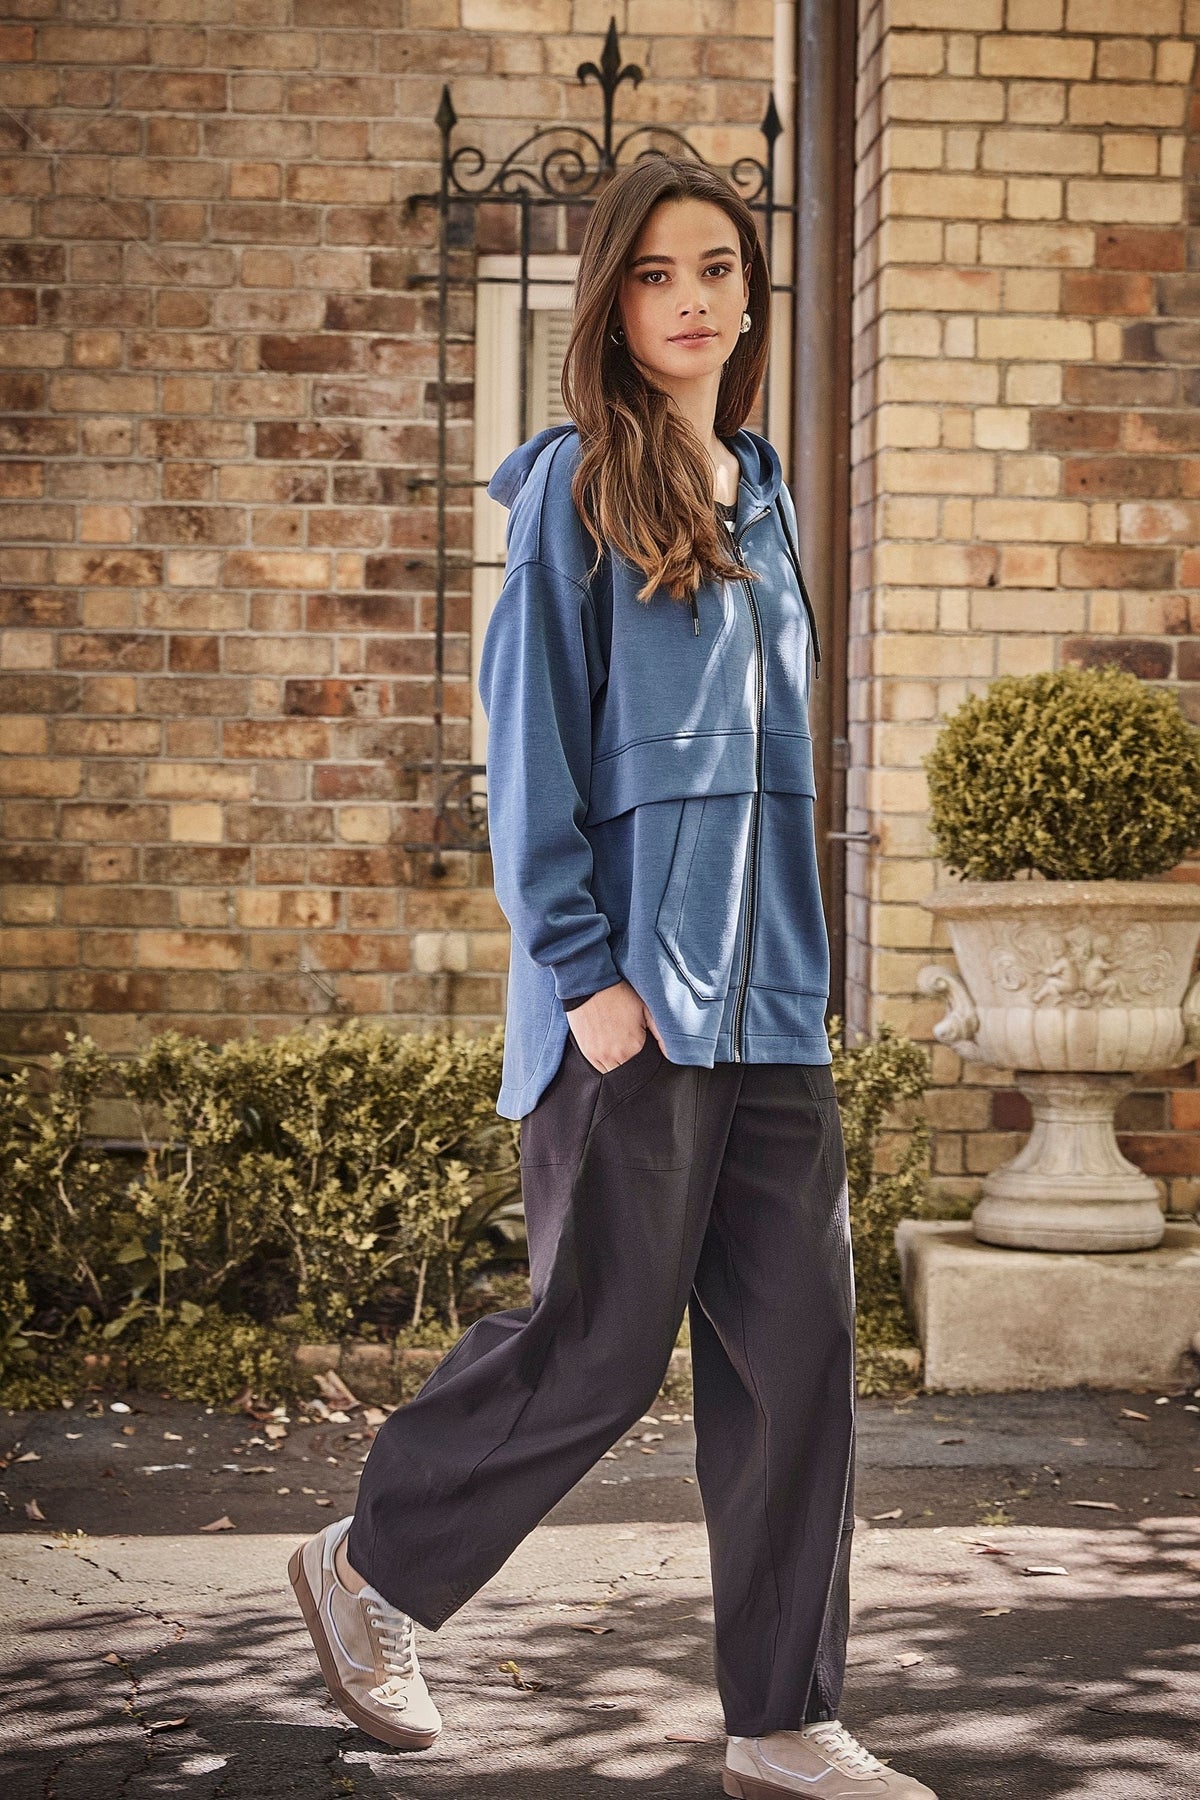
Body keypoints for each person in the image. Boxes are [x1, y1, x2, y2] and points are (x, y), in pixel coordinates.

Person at [288, 156, 937, 1800]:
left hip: (772, 1009)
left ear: (751, 292)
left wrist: (799, 988)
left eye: (717, 267)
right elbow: (530, 760)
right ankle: (371, 1569)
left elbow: (771, 778)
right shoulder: (576, 492)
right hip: (629, 1009)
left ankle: (782, 1720)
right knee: (597, 1346)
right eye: (655, 274)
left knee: (799, 1365)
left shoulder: (765, 494)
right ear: (612, 301)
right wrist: (585, 972)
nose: (692, 298)